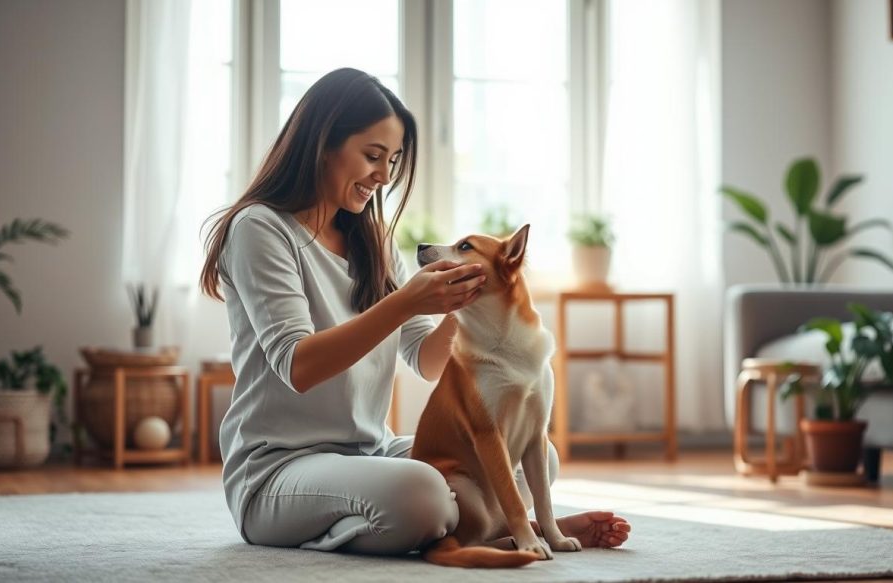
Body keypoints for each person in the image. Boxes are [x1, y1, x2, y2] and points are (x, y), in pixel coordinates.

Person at [199, 68, 630, 556]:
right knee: (421, 497)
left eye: (394, 160)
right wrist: (407, 300)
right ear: (323, 144)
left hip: (371, 453)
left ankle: (507, 527)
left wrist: (460, 304)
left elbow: (426, 360)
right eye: (373, 156)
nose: (384, 176)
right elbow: (299, 366)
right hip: (277, 471)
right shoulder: (260, 228)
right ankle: (490, 526)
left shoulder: (374, 242)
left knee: (537, 458)